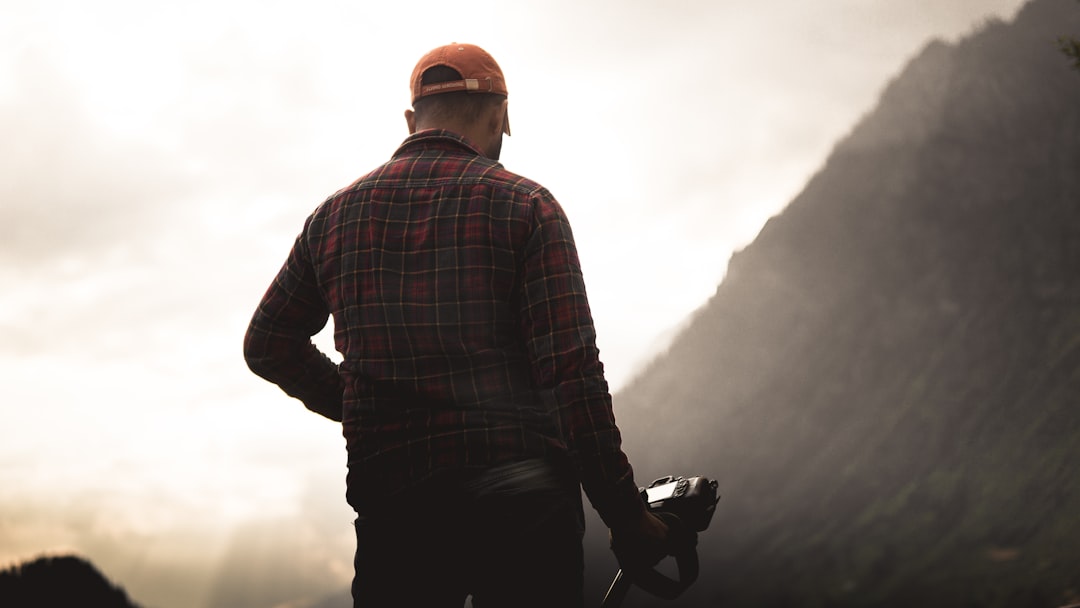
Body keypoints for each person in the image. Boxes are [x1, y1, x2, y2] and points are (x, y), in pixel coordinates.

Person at [243, 42, 668, 607]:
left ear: (411, 120)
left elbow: (268, 344)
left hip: (397, 504)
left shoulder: (333, 218)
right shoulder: (528, 206)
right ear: (501, 116)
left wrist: (362, 406)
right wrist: (626, 515)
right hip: (524, 498)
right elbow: (572, 375)